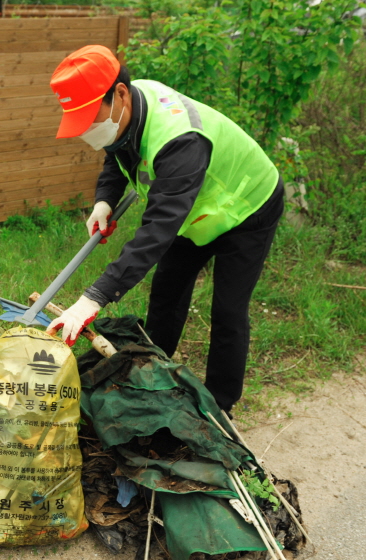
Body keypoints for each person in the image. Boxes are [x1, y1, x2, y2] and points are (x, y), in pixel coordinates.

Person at [45, 45, 284, 417]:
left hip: (247, 204)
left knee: (228, 310)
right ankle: (152, 376)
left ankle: (220, 407)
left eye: (92, 118)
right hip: (195, 208)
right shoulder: (130, 107)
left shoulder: (179, 140)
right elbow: (117, 151)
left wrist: (95, 296)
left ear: (120, 94)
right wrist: (105, 200)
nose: (88, 131)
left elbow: (156, 232)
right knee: (167, 293)